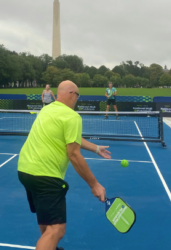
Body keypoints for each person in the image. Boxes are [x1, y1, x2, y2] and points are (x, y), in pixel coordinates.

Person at [18, 81, 111, 250]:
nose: (77, 99)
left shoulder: (46, 109)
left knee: (47, 220)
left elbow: (71, 138)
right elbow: (74, 155)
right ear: (71, 94)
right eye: (77, 95)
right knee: (57, 230)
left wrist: (96, 148)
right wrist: (94, 184)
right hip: (46, 176)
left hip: (25, 171)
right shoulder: (72, 116)